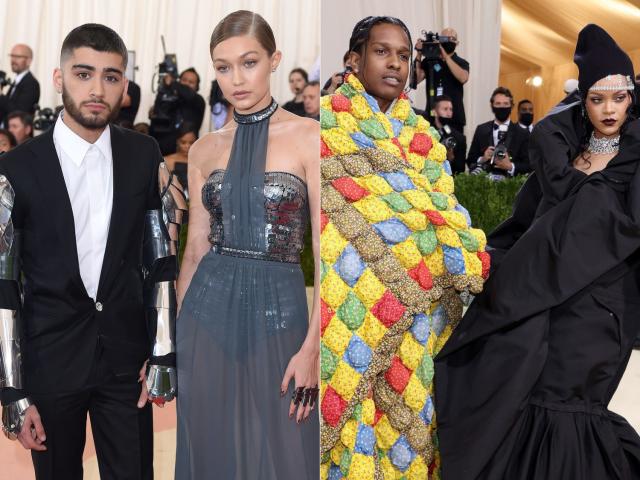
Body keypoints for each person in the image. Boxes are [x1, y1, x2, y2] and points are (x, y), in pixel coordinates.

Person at [434, 24, 640, 480]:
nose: (609, 109)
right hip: (545, 298)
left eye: (619, 97)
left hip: (602, 305)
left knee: (575, 404)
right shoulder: (559, 152)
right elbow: (525, 223)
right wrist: (486, 261)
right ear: (582, 101)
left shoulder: (636, 158)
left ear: (632, 97)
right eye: (597, 98)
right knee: (529, 392)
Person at [0, 24, 181, 480]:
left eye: (111, 76)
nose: (98, 89)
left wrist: (162, 352)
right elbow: (3, 284)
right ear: (59, 79)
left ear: (125, 84)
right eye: (84, 74)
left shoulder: (144, 154)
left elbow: (160, 261)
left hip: (127, 367)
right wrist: (12, 390)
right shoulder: (16, 168)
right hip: (50, 365)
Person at [319, 16, 488, 478]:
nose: (395, 63)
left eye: (404, 55)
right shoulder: (325, 123)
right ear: (353, 60)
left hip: (420, 311)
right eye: (381, 52)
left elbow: (443, 210)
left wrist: (439, 246)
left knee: (411, 416)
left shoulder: (422, 137)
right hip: (352, 297)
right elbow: (330, 217)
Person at [175, 10, 319, 479]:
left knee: (286, 447)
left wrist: (313, 349)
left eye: (249, 62)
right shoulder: (203, 149)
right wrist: (179, 336)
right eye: (223, 67)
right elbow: (195, 249)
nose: (235, 79)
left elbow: (326, 255)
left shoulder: (309, 137)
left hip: (281, 311)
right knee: (212, 444)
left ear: (275, 60)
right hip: (207, 313)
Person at [467, 86, 530, 179]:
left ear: (512, 106)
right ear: (492, 106)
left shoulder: (523, 133)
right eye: (498, 103)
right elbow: (470, 160)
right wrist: (483, 159)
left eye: (505, 104)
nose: (502, 107)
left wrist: (510, 166)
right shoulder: (481, 129)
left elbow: (529, 165)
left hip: (511, 187)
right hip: (483, 185)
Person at [414, 28, 469, 131]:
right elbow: (415, 80)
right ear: (439, 40)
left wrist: (445, 56)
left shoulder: (461, 62)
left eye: (451, 38)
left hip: (454, 117)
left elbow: (463, 78)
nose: (447, 41)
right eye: (444, 38)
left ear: (457, 43)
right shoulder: (431, 61)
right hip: (432, 116)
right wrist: (419, 54)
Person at [150, 67, 206, 155]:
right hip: (163, 150)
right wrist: (165, 89)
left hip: (186, 154)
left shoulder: (198, 100)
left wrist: (172, 82)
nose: (187, 84)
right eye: (184, 80)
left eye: (191, 82)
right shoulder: (171, 99)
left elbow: (188, 94)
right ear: (179, 81)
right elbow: (158, 113)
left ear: (197, 87)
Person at [0, 44, 40, 126]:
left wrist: (1, 95)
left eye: (17, 57)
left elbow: (20, 113)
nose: (13, 60)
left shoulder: (31, 83)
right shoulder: (17, 81)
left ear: (29, 61)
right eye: (12, 56)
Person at [433, 94, 466, 174]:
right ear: (434, 112)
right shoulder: (426, 131)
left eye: (451, 109)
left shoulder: (459, 138)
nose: (449, 113)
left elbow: (460, 170)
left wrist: (451, 159)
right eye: (445, 109)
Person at [164, 122, 197, 195]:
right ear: (177, 141)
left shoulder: (200, 161)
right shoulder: (167, 160)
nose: (187, 146)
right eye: (183, 142)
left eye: (191, 142)